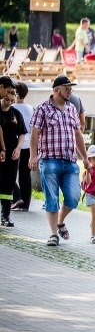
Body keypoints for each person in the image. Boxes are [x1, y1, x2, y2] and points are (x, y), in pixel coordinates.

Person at [28, 75, 90, 246]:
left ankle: (60, 221)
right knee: (52, 199)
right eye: (67, 87)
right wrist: (33, 156)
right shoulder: (42, 109)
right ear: (56, 90)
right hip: (49, 161)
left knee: (73, 198)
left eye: (71, 88)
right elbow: (35, 133)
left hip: (70, 161)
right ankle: (54, 234)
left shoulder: (71, 109)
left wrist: (85, 158)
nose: (70, 91)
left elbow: (78, 134)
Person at [1, 78, 26, 227]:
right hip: (0, 152)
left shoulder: (16, 114)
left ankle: (5, 215)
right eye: (7, 99)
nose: (9, 102)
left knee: (8, 184)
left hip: (12, 154)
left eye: (12, 100)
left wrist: (18, 148)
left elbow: (22, 133)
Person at [11, 82, 34, 211]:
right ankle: (26, 203)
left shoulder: (12, 108)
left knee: (10, 173)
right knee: (25, 175)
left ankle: (17, 196)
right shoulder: (31, 108)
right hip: (28, 145)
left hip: (15, 144)